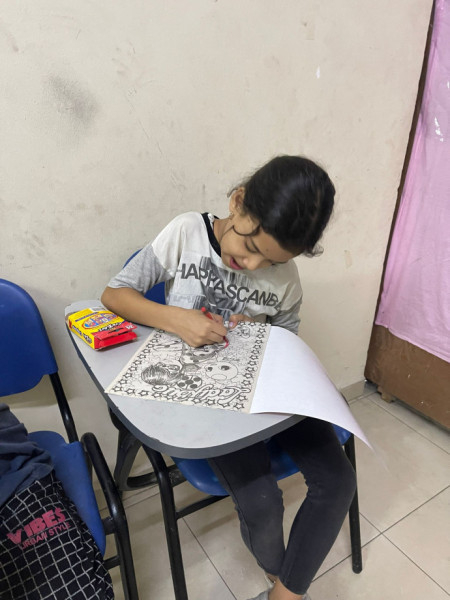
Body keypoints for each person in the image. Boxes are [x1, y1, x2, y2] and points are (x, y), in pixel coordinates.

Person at [101, 155, 356, 600]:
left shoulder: (286, 278)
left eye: (271, 261)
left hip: (266, 390)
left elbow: (285, 342)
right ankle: (280, 575)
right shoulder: (186, 233)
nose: (253, 266)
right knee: (261, 500)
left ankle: (285, 593)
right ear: (238, 203)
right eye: (252, 247)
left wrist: (259, 333)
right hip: (206, 400)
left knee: (338, 480)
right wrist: (177, 319)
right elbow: (114, 294)